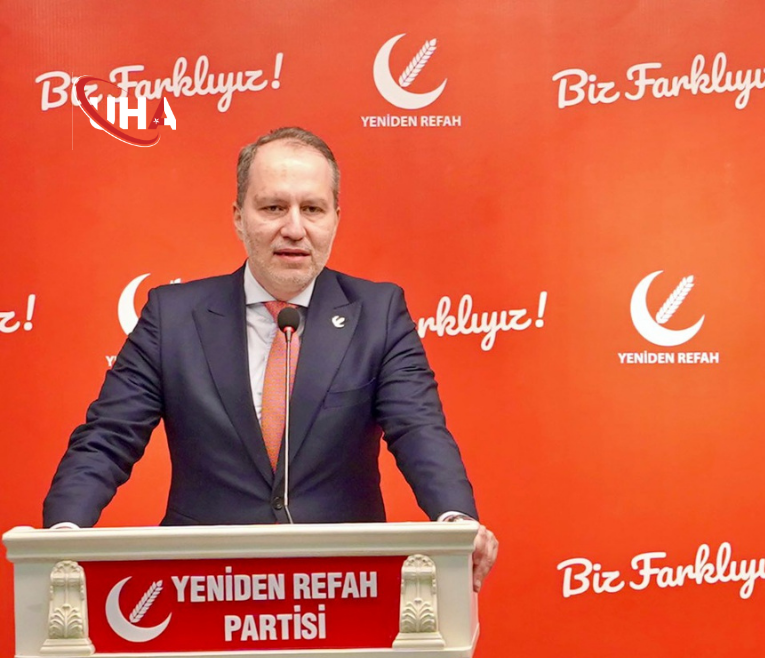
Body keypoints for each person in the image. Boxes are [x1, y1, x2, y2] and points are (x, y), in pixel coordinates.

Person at [44, 127, 498, 590]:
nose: (295, 229)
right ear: (239, 217)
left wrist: (455, 521)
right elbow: (109, 437)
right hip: (201, 584)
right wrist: (62, 534)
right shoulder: (172, 316)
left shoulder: (378, 313)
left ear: (335, 218)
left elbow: (419, 429)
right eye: (274, 208)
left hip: (343, 583)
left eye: (313, 209)